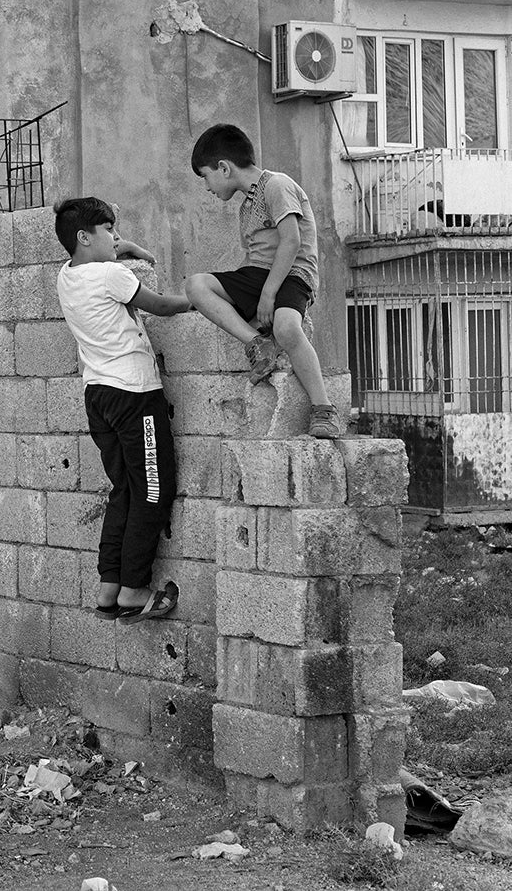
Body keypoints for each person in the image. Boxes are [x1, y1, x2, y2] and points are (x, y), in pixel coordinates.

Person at [54, 197, 191, 622]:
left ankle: (108, 587)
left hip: (98, 395)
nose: (115, 237)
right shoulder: (113, 274)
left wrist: (119, 246)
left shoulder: (67, 274)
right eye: (109, 230)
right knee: (153, 489)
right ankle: (133, 591)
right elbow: (161, 306)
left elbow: (101, 260)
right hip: (135, 394)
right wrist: (202, 298)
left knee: (124, 490)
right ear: (84, 237)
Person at [183, 123, 342, 439]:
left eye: (206, 176)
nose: (207, 187)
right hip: (260, 275)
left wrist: (268, 295)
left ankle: (324, 409)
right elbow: (253, 261)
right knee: (197, 285)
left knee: (286, 326)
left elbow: (291, 242)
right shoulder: (247, 205)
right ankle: (258, 343)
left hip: (292, 274)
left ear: (224, 168)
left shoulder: (276, 185)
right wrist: (204, 301)